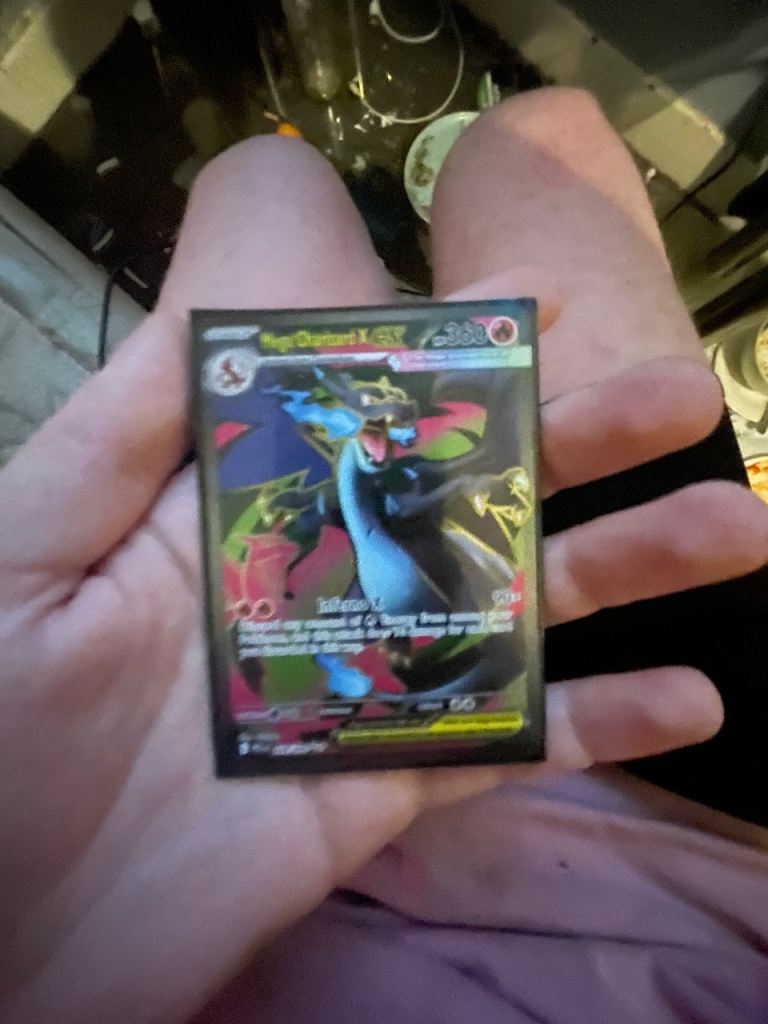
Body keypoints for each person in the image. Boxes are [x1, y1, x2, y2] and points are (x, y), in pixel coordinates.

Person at [1, 88, 767, 1024]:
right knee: (523, 137)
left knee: (272, 176)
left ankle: (344, 212)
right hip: (706, 844)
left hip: (280, 812)